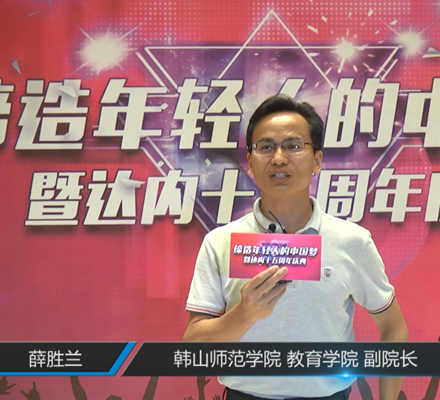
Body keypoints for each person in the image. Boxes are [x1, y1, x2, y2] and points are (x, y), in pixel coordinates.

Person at [183, 94, 408, 400]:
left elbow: (393, 328)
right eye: (265, 147)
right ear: (250, 162)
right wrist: (245, 314)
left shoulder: (352, 241)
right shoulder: (220, 242)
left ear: (317, 160)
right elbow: (194, 348)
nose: (278, 158)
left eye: (293, 146)